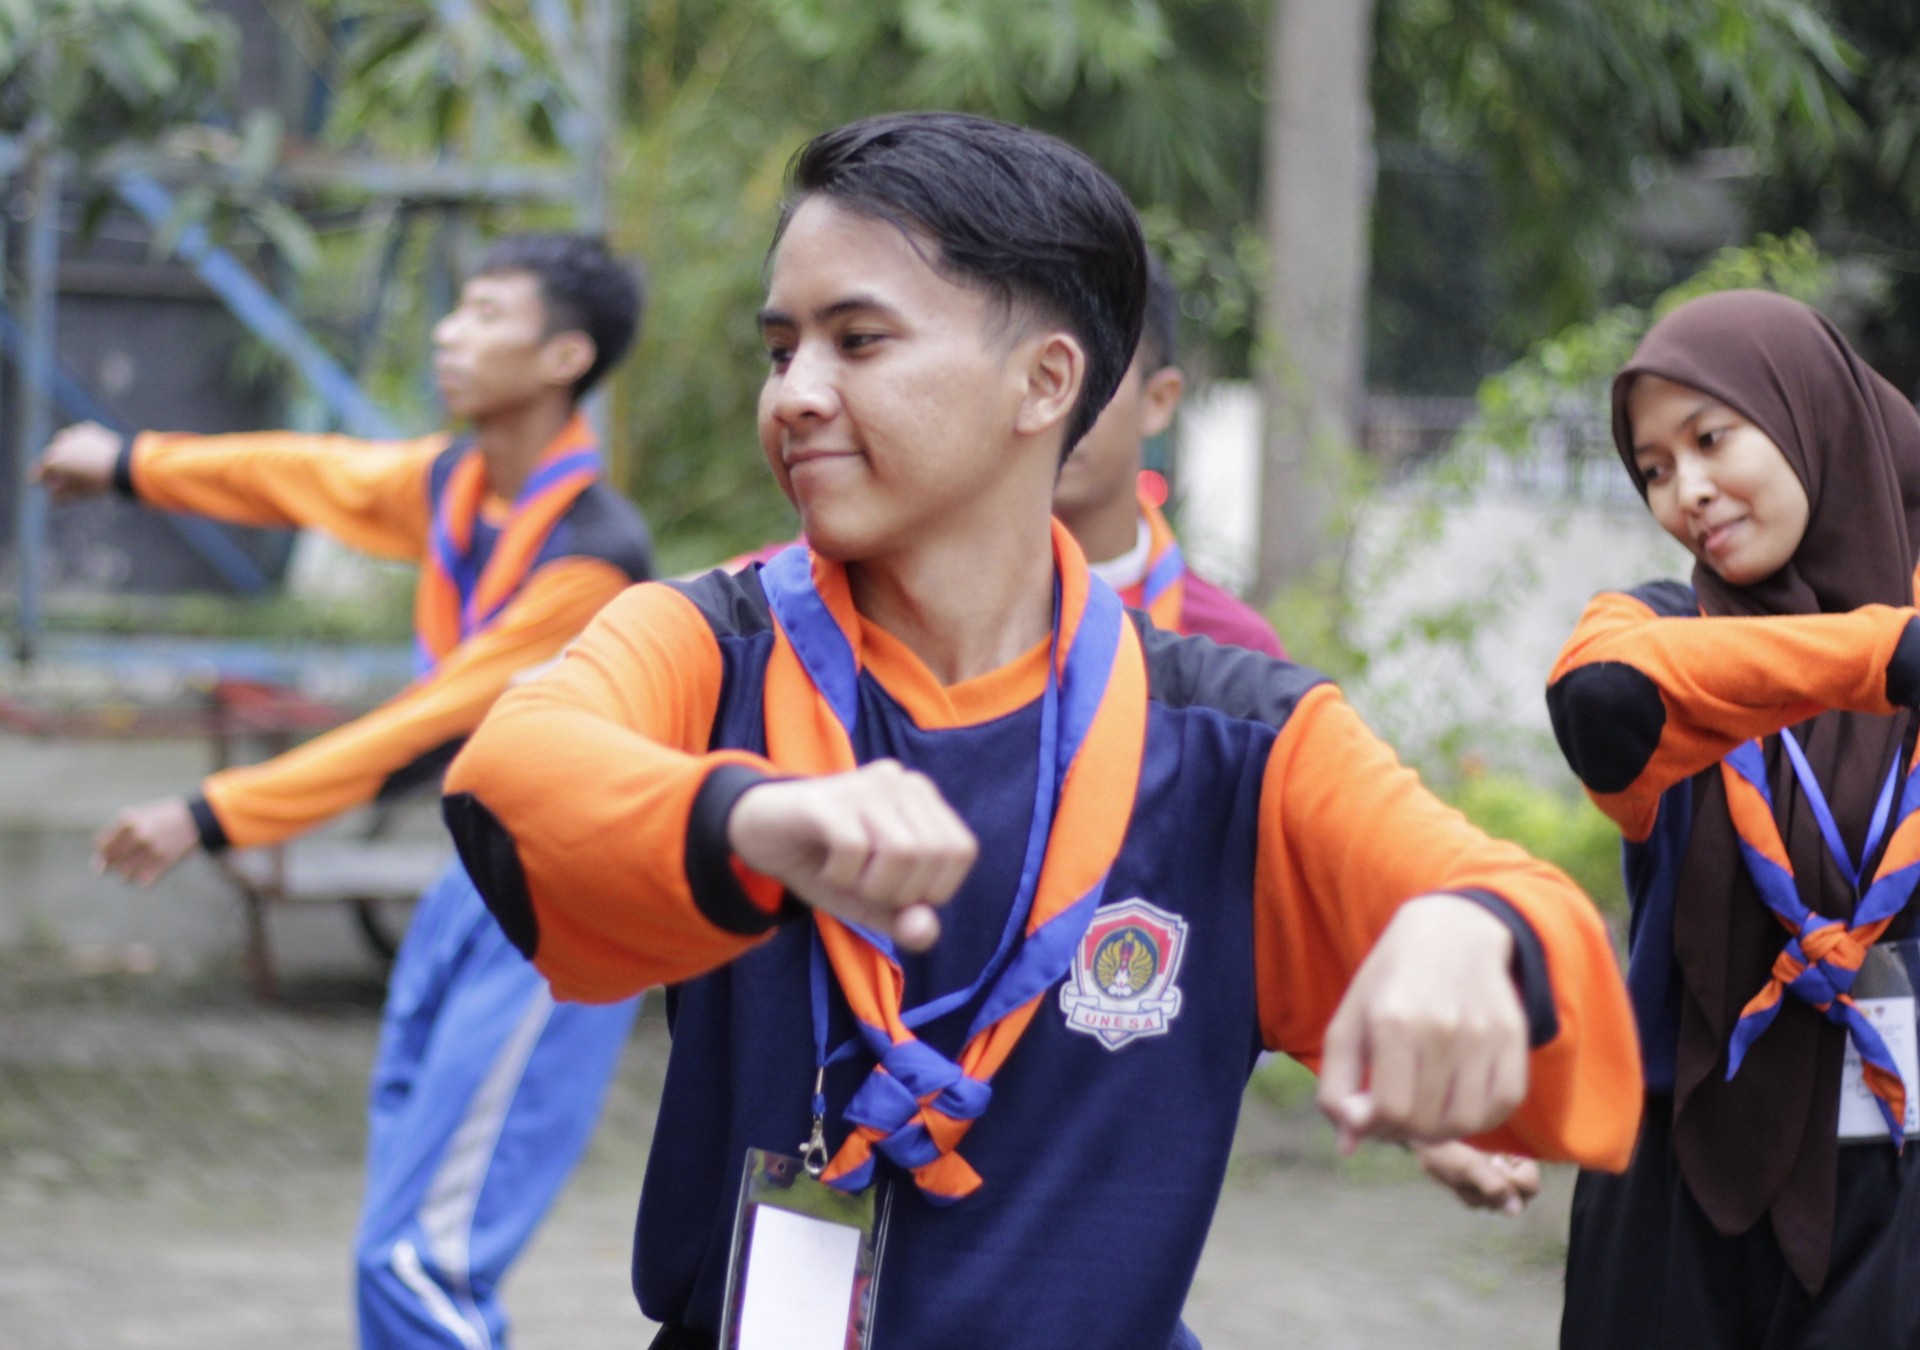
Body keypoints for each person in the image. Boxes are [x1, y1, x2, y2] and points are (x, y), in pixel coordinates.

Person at [441, 113, 1640, 1349]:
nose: (795, 394)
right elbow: (512, 782)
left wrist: (1469, 932)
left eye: (859, 340)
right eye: (781, 348)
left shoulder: (1237, 739)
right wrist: (744, 817)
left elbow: (1542, 932)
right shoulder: (710, 647)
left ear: (1047, 382)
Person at [34, 233, 653, 1350]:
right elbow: (299, 474)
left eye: (486, 313)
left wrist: (213, 813)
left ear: (564, 357)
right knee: (397, 1225)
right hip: (473, 873)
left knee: (420, 1262)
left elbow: (425, 723)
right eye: (456, 309)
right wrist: (131, 463)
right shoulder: (454, 489)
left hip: (561, 902)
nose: (449, 334)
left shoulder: (590, 556)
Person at [1546, 290, 1920, 1347]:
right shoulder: (1655, 628)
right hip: (1683, 1194)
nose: (1688, 492)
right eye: (1655, 470)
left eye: (1710, 439)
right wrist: (1881, 657)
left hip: (1902, 1186)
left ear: (1811, 415)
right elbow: (1601, 696)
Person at [1051, 255, 1284, 658]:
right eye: (1039, 373)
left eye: (1091, 375)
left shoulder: (1233, 649)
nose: (1055, 405)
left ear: (1158, 400)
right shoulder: (946, 625)